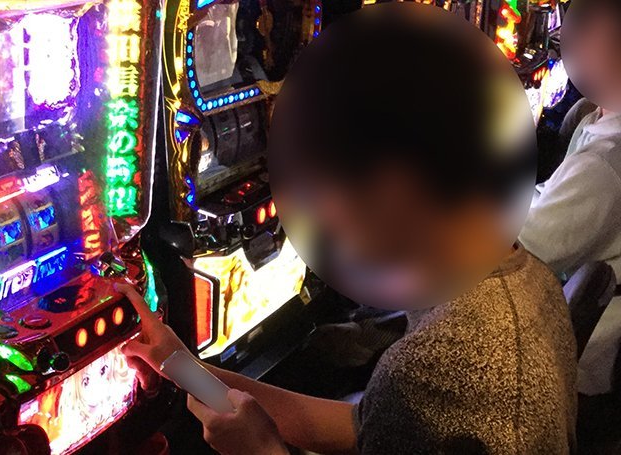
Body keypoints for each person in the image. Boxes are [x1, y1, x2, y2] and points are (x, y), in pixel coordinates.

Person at [121, 4, 577, 454]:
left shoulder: (435, 364)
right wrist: (180, 366)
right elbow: (363, 426)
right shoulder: (527, 280)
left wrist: (261, 451)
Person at [518, 0, 621, 397]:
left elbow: (519, 251)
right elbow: (548, 197)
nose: (565, 35)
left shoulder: (605, 163)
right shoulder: (599, 120)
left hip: (571, 362)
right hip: (561, 318)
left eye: (585, 26)